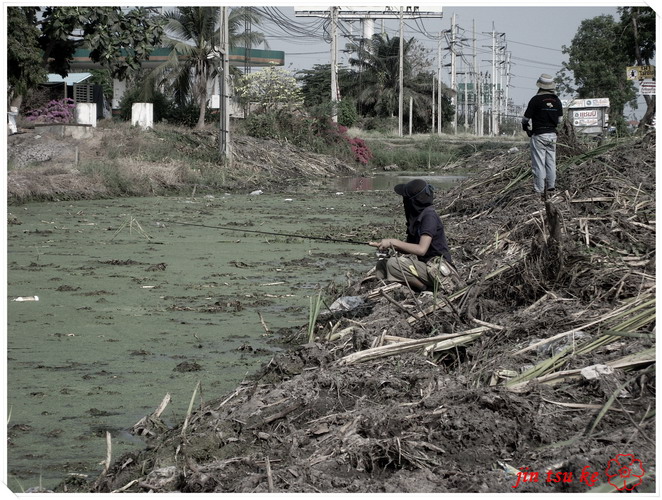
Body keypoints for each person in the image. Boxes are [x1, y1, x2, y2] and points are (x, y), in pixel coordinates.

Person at [369, 179, 455, 292]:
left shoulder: (429, 217)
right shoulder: (418, 217)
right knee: (382, 264)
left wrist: (393, 242)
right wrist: (387, 245)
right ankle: (380, 291)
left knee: (393, 264)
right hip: (426, 268)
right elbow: (410, 247)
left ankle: (425, 289)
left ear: (413, 201)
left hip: (438, 271)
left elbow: (421, 249)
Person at [521, 73, 564, 198]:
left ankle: (539, 190)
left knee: (539, 164)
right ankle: (551, 187)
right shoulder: (557, 100)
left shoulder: (536, 100)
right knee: (551, 162)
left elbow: (525, 118)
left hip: (539, 135)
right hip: (552, 136)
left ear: (540, 85)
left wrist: (526, 126)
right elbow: (560, 120)